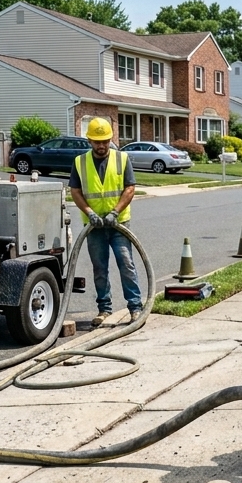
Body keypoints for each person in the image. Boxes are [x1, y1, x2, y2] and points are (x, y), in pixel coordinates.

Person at [69, 117, 142, 326]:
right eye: (97, 142)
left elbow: (130, 188)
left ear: (111, 139)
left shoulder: (122, 158)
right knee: (99, 268)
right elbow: (75, 191)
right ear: (89, 141)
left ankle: (135, 307)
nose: (101, 146)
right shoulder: (79, 162)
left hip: (118, 224)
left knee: (126, 263)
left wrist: (115, 212)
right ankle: (104, 309)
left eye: (105, 141)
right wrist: (89, 212)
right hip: (94, 226)